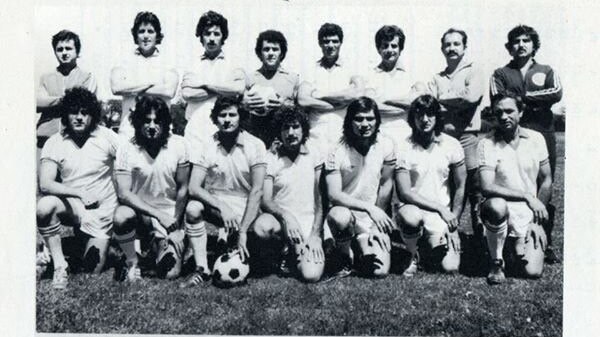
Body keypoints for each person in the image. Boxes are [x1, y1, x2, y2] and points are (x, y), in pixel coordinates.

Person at [490, 25, 562, 263]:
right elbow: (498, 98)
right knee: (510, 180)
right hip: (509, 134)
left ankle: (543, 239)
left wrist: (520, 99)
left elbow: (556, 93)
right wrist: (530, 101)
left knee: (543, 182)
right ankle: (507, 238)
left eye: (526, 41)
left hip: (543, 132)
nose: (521, 45)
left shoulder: (546, 70)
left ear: (534, 44)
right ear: (509, 47)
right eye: (516, 41)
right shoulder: (500, 73)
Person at [37, 87, 120, 289]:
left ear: (93, 114)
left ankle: (90, 246)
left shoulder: (108, 137)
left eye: (85, 112)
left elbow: (129, 169)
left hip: (103, 213)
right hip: (75, 208)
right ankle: (59, 265)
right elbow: (45, 184)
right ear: (65, 114)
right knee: (45, 206)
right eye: (74, 112)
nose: (79, 117)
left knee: (91, 268)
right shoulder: (54, 142)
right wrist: (79, 193)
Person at [182, 96, 266, 287]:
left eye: (232, 115)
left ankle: (258, 255)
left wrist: (243, 229)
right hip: (219, 207)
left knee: (265, 230)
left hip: (247, 206)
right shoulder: (207, 145)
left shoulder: (255, 145)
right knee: (193, 208)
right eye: (222, 115)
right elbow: (193, 187)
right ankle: (202, 269)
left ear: (240, 117)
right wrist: (222, 206)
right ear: (215, 119)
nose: (227, 120)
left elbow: (257, 190)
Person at [113, 96, 190, 281]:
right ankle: (132, 260)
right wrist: (157, 215)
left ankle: (159, 245)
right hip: (141, 214)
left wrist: (174, 226)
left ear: (166, 123)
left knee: (171, 273)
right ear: (138, 122)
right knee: (121, 215)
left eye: (158, 121)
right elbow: (124, 193)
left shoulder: (179, 144)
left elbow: (183, 189)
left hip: (170, 215)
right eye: (147, 120)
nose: (152, 125)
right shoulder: (126, 148)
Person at [478, 94, 552, 285]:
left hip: (527, 213)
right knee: (497, 206)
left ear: (521, 111)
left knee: (532, 271)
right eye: (498, 113)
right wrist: (527, 196)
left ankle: (511, 246)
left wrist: (537, 222)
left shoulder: (536, 139)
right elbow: (486, 187)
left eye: (509, 111)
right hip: (499, 208)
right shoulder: (487, 143)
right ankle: (496, 261)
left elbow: (546, 180)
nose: (504, 117)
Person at [394, 95, 466, 276]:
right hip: (413, 211)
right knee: (411, 217)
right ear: (412, 118)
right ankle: (412, 254)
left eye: (430, 114)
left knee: (450, 267)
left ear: (437, 117)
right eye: (419, 115)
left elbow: (461, 185)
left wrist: (453, 224)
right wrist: (440, 209)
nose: (425, 120)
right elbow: (404, 193)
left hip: (441, 218)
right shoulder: (403, 146)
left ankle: (426, 246)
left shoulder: (452, 144)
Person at [324, 97, 396, 278]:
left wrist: (376, 225)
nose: (365, 124)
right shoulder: (336, 149)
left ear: (377, 121)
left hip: (370, 219)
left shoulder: (386, 144)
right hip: (343, 217)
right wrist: (369, 208)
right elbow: (334, 195)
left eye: (370, 119)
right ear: (349, 121)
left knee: (379, 272)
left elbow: (386, 184)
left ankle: (360, 247)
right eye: (359, 119)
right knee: (340, 216)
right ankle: (344, 254)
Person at [426, 28, 485, 242]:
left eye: (456, 44)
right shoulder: (437, 77)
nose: (452, 48)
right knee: (446, 185)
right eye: (447, 45)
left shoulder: (474, 71)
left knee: (473, 187)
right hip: (443, 138)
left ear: (464, 47)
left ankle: (480, 236)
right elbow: (431, 105)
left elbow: (471, 98)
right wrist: (454, 100)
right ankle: (446, 233)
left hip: (468, 137)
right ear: (442, 48)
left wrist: (443, 99)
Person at [252, 107, 325, 282]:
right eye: (285, 128)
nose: (290, 133)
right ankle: (282, 250)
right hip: (283, 223)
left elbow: (322, 199)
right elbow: (266, 200)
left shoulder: (316, 153)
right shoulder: (271, 157)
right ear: (279, 131)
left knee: (311, 275)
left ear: (304, 130)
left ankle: (299, 252)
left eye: (295, 127)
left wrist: (316, 234)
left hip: (309, 224)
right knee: (261, 227)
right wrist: (287, 217)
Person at [182, 10, 245, 148]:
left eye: (216, 34)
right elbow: (187, 94)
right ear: (201, 36)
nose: (211, 38)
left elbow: (239, 89)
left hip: (225, 130)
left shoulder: (234, 63)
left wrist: (206, 85)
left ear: (223, 37)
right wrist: (224, 90)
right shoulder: (192, 64)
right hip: (195, 130)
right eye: (207, 33)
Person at [110, 11, 178, 139]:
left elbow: (169, 91)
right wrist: (151, 85)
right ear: (135, 35)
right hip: (129, 132)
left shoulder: (168, 62)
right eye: (141, 31)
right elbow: (116, 88)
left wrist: (132, 89)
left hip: (160, 131)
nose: (146, 36)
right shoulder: (123, 61)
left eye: (150, 31)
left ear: (157, 35)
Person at [297, 23, 365, 150]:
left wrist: (320, 95)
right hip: (315, 135)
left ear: (341, 43)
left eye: (335, 41)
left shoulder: (351, 68)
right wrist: (339, 103)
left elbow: (359, 94)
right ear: (320, 44)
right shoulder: (311, 70)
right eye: (326, 42)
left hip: (345, 135)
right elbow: (302, 100)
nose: (330, 46)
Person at [37, 30, 97, 150]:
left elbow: (83, 104)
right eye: (60, 49)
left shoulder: (87, 77)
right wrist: (64, 99)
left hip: (75, 140)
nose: (64, 53)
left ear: (77, 51)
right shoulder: (46, 78)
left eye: (68, 48)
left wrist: (51, 101)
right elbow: (38, 103)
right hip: (46, 139)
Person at [242, 30, 301, 147]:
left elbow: (301, 111)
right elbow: (240, 108)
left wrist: (284, 106)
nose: (270, 53)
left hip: (284, 140)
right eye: (266, 49)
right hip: (255, 138)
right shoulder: (250, 78)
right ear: (259, 53)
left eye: (275, 49)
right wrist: (244, 104)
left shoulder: (292, 79)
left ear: (282, 53)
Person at [364, 25, 415, 141]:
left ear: (400, 49)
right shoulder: (370, 76)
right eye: (385, 46)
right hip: (379, 137)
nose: (390, 50)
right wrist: (404, 107)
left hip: (408, 137)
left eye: (394, 46)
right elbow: (370, 107)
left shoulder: (411, 75)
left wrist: (386, 101)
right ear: (378, 49)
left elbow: (417, 102)